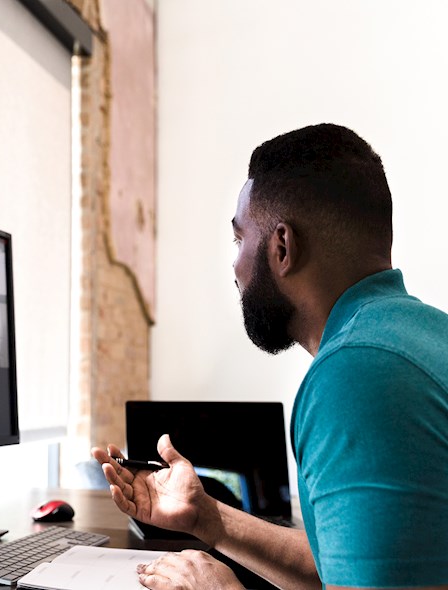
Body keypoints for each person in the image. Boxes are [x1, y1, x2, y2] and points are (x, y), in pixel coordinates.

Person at [92, 124, 448, 590]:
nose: (235, 267)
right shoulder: (421, 335)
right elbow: (342, 567)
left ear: (282, 246)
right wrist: (207, 518)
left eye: (240, 240)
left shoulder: (355, 376)